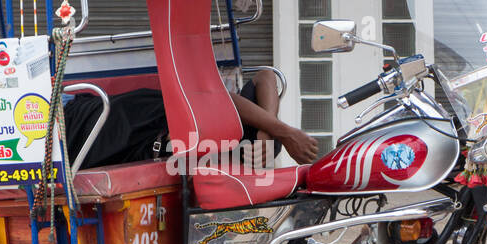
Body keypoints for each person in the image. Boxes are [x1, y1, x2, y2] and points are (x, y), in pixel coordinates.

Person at [63, 68, 319, 170]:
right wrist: (277, 131)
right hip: (102, 118)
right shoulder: (226, 110)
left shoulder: (227, 156)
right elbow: (265, 77)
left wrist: (275, 132)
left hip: (120, 142)